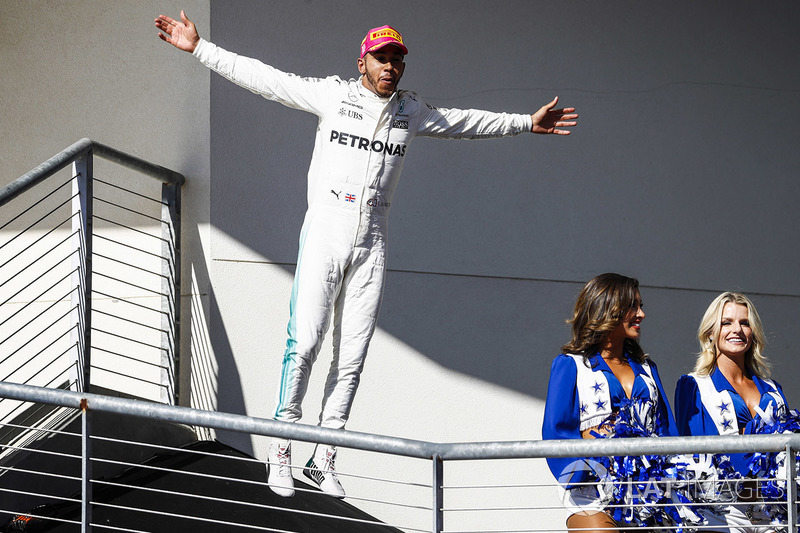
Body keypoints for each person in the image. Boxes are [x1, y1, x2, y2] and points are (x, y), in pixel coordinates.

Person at [156, 10, 578, 499]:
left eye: (398, 59)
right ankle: (282, 449)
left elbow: (466, 123)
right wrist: (200, 48)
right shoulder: (333, 95)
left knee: (352, 357)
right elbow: (266, 80)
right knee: (306, 343)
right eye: (382, 58)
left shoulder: (411, 110)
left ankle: (326, 455)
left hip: (372, 242)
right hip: (325, 234)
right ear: (362, 61)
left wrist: (526, 122)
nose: (391, 66)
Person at [542, 273, 677, 532]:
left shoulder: (648, 369)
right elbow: (556, 433)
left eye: (641, 306)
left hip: (647, 493)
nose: (641, 314)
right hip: (592, 493)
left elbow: (666, 431)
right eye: (633, 306)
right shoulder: (571, 365)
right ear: (609, 309)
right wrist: (594, 461)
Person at [674, 292, 788, 533]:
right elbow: (694, 454)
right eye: (726, 322)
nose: (737, 329)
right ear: (710, 333)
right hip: (721, 513)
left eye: (744, 323)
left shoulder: (773, 390)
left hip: (772, 510)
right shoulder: (694, 385)